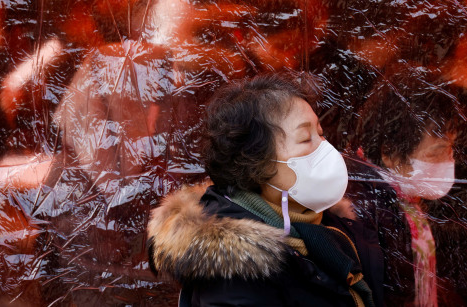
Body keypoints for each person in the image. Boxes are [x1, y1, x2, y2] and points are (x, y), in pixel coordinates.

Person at [147, 73, 384, 306]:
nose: (325, 148)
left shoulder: (325, 224)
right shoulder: (235, 274)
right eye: (305, 139)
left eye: (321, 134)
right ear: (256, 162)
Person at [349, 67, 459, 306]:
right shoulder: (364, 209)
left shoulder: (405, 201)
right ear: (389, 154)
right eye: (437, 153)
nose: (449, 162)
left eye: (451, 150)